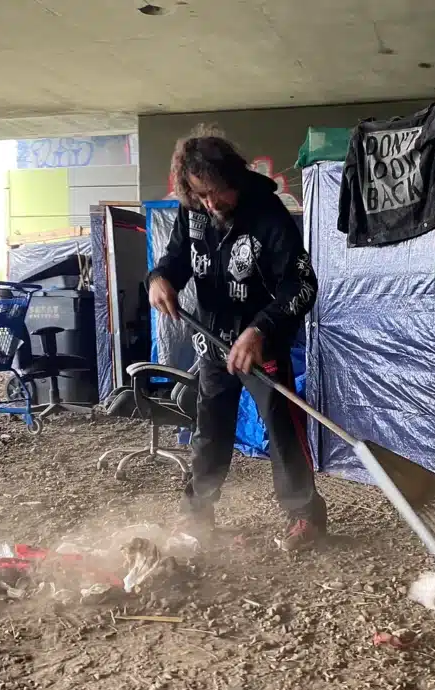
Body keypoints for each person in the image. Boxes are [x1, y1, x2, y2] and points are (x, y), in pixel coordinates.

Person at [147, 125, 327, 551]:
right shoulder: (194, 211)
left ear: (235, 178)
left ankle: (307, 519)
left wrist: (259, 329)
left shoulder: (269, 215)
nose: (211, 204)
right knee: (210, 430)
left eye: (218, 193)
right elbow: (175, 260)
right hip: (211, 343)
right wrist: (159, 279)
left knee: (281, 429)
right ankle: (196, 516)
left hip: (260, 344)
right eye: (201, 196)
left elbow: (302, 285)